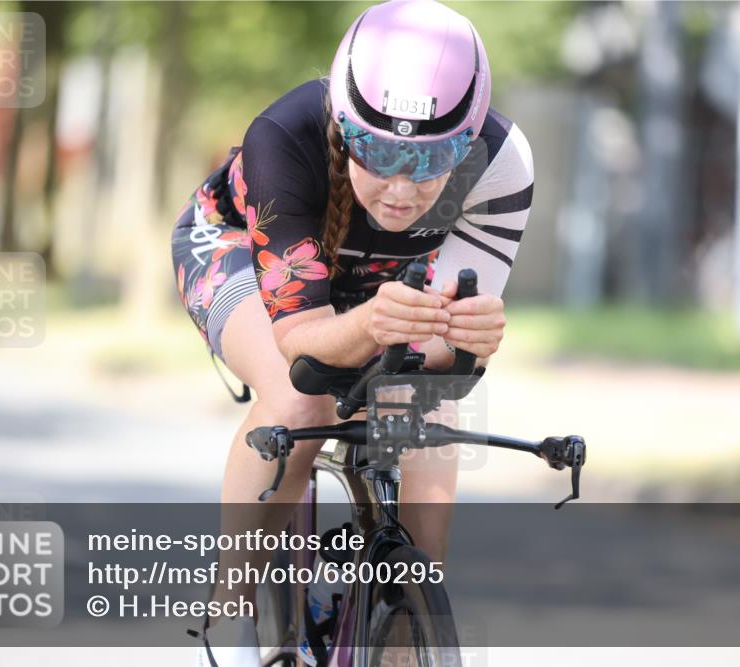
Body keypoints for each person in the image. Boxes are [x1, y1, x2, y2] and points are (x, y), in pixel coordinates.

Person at [170, 1, 533, 664]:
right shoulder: (285, 136)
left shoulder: (500, 162)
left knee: (420, 408)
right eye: (377, 151)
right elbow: (302, 342)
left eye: (431, 161)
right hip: (234, 249)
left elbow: (439, 357)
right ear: (343, 121)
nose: (400, 189)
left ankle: (409, 607)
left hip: (381, 278)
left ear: (469, 140)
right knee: (300, 397)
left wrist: (467, 338)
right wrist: (368, 322)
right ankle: (229, 616)